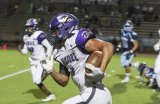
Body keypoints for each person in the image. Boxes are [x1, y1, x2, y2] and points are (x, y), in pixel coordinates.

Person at [41, 13, 114, 104]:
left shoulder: (78, 38)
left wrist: (101, 70)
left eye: (55, 30)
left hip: (94, 91)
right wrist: (51, 70)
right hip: (88, 93)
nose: (53, 34)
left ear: (65, 27)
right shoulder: (59, 51)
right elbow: (63, 81)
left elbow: (108, 46)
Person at [18, 18, 56, 102]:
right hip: (32, 62)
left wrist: (46, 58)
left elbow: (49, 47)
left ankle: (51, 94)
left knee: (37, 80)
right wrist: (20, 50)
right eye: (27, 27)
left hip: (40, 60)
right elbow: (25, 52)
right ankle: (51, 95)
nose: (27, 29)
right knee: (36, 81)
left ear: (34, 26)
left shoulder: (38, 34)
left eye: (29, 27)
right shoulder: (25, 37)